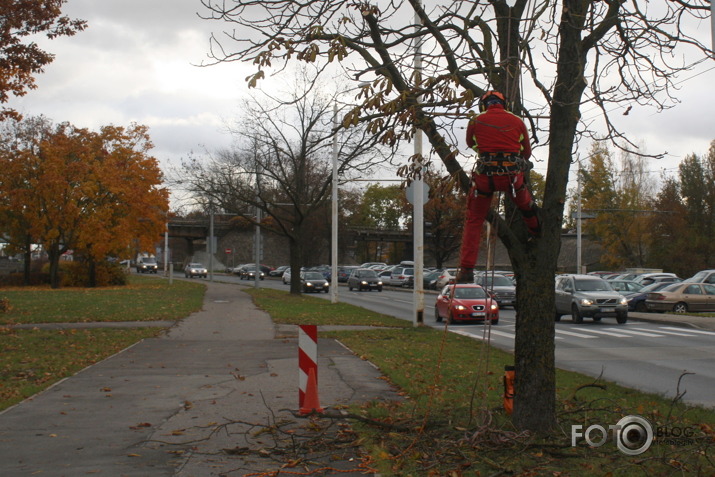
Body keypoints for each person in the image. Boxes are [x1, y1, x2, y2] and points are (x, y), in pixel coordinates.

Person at [456, 91, 540, 284]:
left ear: (484, 105)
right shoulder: (517, 121)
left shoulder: (475, 120)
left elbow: (471, 143)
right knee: (526, 206)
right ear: (505, 104)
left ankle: (467, 269)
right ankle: (537, 232)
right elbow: (526, 152)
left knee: (474, 219)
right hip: (512, 178)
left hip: (485, 177)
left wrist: (487, 150)